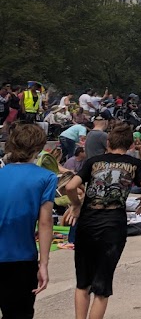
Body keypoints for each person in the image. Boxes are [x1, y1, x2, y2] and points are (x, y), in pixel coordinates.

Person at [64, 122, 141, 319]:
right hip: (113, 225)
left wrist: (76, 205)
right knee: (102, 286)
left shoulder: (93, 161)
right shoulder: (135, 164)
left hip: (88, 223)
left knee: (82, 283)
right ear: (131, 145)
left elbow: (70, 186)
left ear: (108, 142)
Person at [0, 123, 56, 318]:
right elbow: (45, 223)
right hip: (21, 257)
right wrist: (44, 264)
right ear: (39, 148)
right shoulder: (46, 177)